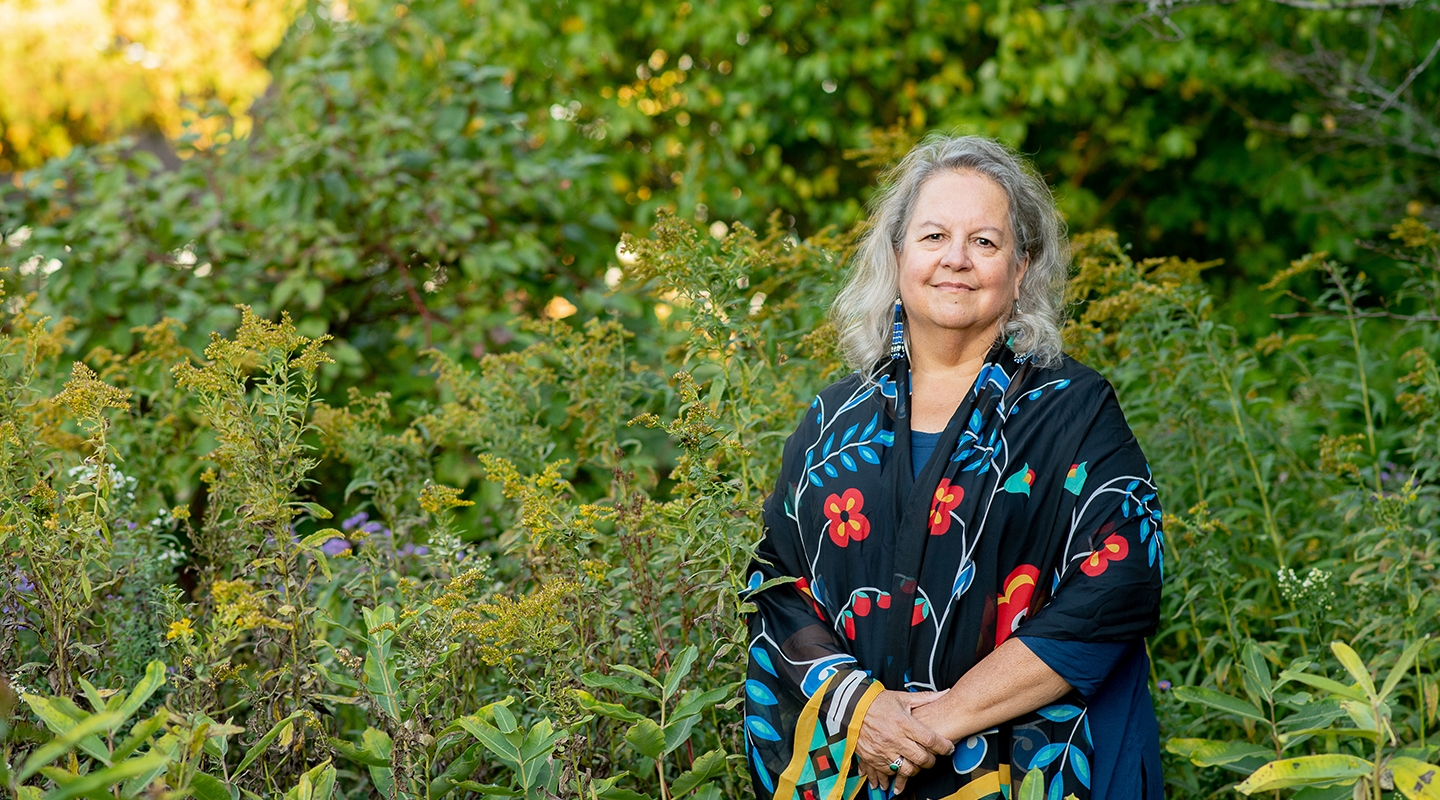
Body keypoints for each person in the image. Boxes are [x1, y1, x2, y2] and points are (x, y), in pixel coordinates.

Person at [741, 134, 1164, 800]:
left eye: (986, 242)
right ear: (898, 255)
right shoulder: (833, 420)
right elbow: (777, 584)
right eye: (934, 235)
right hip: (862, 758)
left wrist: (937, 721)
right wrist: (863, 708)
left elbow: (1119, 586)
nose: (956, 261)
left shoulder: (1073, 411)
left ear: (1021, 270)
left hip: (1025, 772)